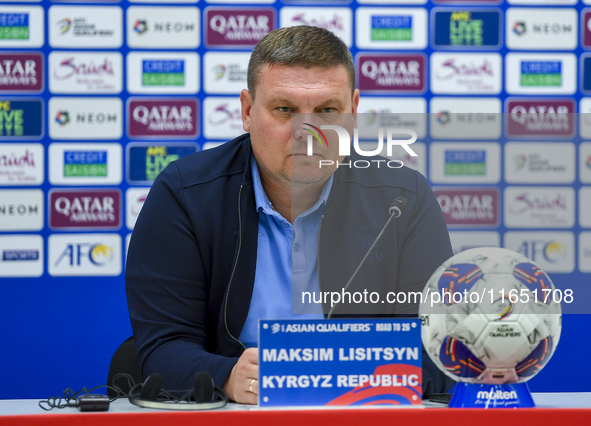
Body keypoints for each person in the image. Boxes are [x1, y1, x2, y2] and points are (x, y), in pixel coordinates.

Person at [126, 26, 454, 405]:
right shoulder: (185, 194)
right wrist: (228, 376)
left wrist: (337, 374)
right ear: (248, 111)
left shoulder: (403, 197)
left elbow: (438, 348)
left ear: (354, 112)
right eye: (285, 110)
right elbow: (162, 349)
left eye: (328, 110)